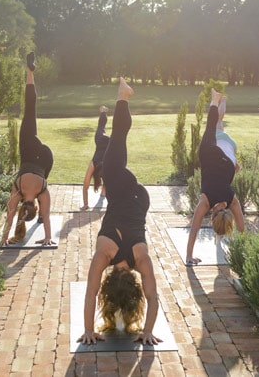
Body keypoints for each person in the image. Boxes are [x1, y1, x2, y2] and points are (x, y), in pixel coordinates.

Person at [78, 77, 161, 346]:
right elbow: (90, 293)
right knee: (116, 145)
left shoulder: (142, 259)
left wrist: (148, 331)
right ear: (109, 281)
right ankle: (122, 97)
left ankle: (123, 98)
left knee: (117, 147)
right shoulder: (105, 253)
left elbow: (153, 297)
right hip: (123, 190)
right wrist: (88, 329)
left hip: (140, 200)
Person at [0, 52, 55, 246]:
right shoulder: (17, 191)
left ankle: (30, 73)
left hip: (46, 159)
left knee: (31, 111)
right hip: (30, 149)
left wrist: (48, 237)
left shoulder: (43, 191)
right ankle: (29, 72)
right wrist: (4, 238)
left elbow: (47, 217)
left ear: (36, 208)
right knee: (30, 110)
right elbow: (10, 215)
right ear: (24, 207)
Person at [186, 88, 245, 266]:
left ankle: (221, 101)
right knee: (212, 126)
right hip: (210, 154)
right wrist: (189, 256)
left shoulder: (231, 199)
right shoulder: (205, 201)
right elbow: (194, 229)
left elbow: (242, 230)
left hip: (229, 156)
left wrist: (245, 254)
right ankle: (215, 100)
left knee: (218, 124)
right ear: (211, 217)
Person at [81, 105, 109, 210]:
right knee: (101, 126)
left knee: (101, 127)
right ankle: (103, 111)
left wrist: (86, 204)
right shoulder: (96, 164)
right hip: (102, 141)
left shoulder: (94, 165)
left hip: (108, 143)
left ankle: (103, 111)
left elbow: (85, 186)